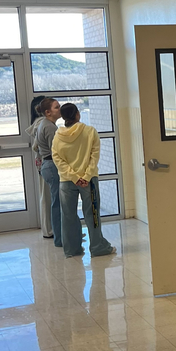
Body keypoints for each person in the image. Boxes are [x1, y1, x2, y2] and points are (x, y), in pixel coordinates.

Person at [52, 103, 116, 259]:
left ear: (63, 117)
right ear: (77, 114)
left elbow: (57, 159)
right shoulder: (90, 131)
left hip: (66, 181)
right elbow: (94, 156)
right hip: (89, 181)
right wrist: (85, 176)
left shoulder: (58, 136)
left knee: (68, 216)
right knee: (92, 214)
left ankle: (71, 249)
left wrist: (73, 177)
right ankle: (98, 246)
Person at [35, 98, 62, 248]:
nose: (60, 109)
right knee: (57, 203)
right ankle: (59, 236)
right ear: (48, 112)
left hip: (48, 164)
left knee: (56, 201)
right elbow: (56, 150)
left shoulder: (46, 124)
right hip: (52, 165)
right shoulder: (50, 128)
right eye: (57, 107)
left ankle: (60, 235)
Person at [27, 95, 53, 240]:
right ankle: (49, 230)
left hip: (43, 162)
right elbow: (36, 146)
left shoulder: (41, 123)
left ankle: (51, 229)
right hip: (47, 163)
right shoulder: (42, 124)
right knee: (48, 197)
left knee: (48, 196)